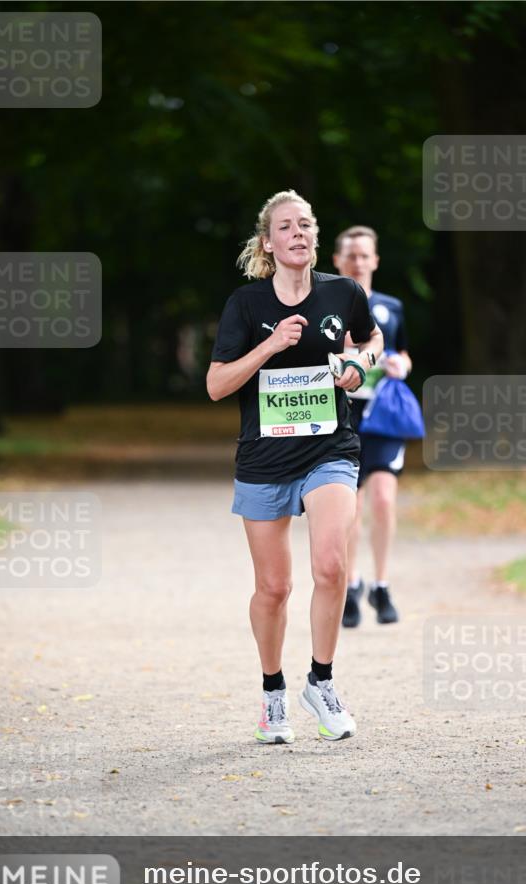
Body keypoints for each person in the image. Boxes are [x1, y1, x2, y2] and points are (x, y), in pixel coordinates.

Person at [207, 191, 383, 744]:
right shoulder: (246, 305)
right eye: (286, 227)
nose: (298, 233)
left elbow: (371, 338)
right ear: (268, 243)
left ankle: (321, 682)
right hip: (264, 458)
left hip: (330, 448)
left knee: (330, 566)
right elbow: (216, 385)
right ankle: (272, 694)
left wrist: (359, 364)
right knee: (274, 588)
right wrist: (269, 347)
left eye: (305, 224)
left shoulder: (342, 292)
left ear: (315, 236)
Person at [333, 226, 412, 628]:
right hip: (341, 416)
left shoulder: (391, 307)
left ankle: (381, 585)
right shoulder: (323, 306)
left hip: (383, 416)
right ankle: (351, 586)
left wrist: (401, 365)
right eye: (351, 255)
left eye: (365, 255)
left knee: (383, 500)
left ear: (375, 260)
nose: (358, 262)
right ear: (337, 260)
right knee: (351, 507)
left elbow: (403, 352)